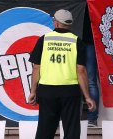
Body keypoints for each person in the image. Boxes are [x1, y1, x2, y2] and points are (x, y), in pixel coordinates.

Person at [27, 9, 96, 139]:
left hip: (47, 90)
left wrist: (33, 91)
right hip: (70, 91)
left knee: (44, 131)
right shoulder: (77, 41)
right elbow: (81, 70)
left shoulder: (44, 40)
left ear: (57, 23)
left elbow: (36, 68)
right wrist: (87, 97)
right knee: (71, 131)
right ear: (69, 24)